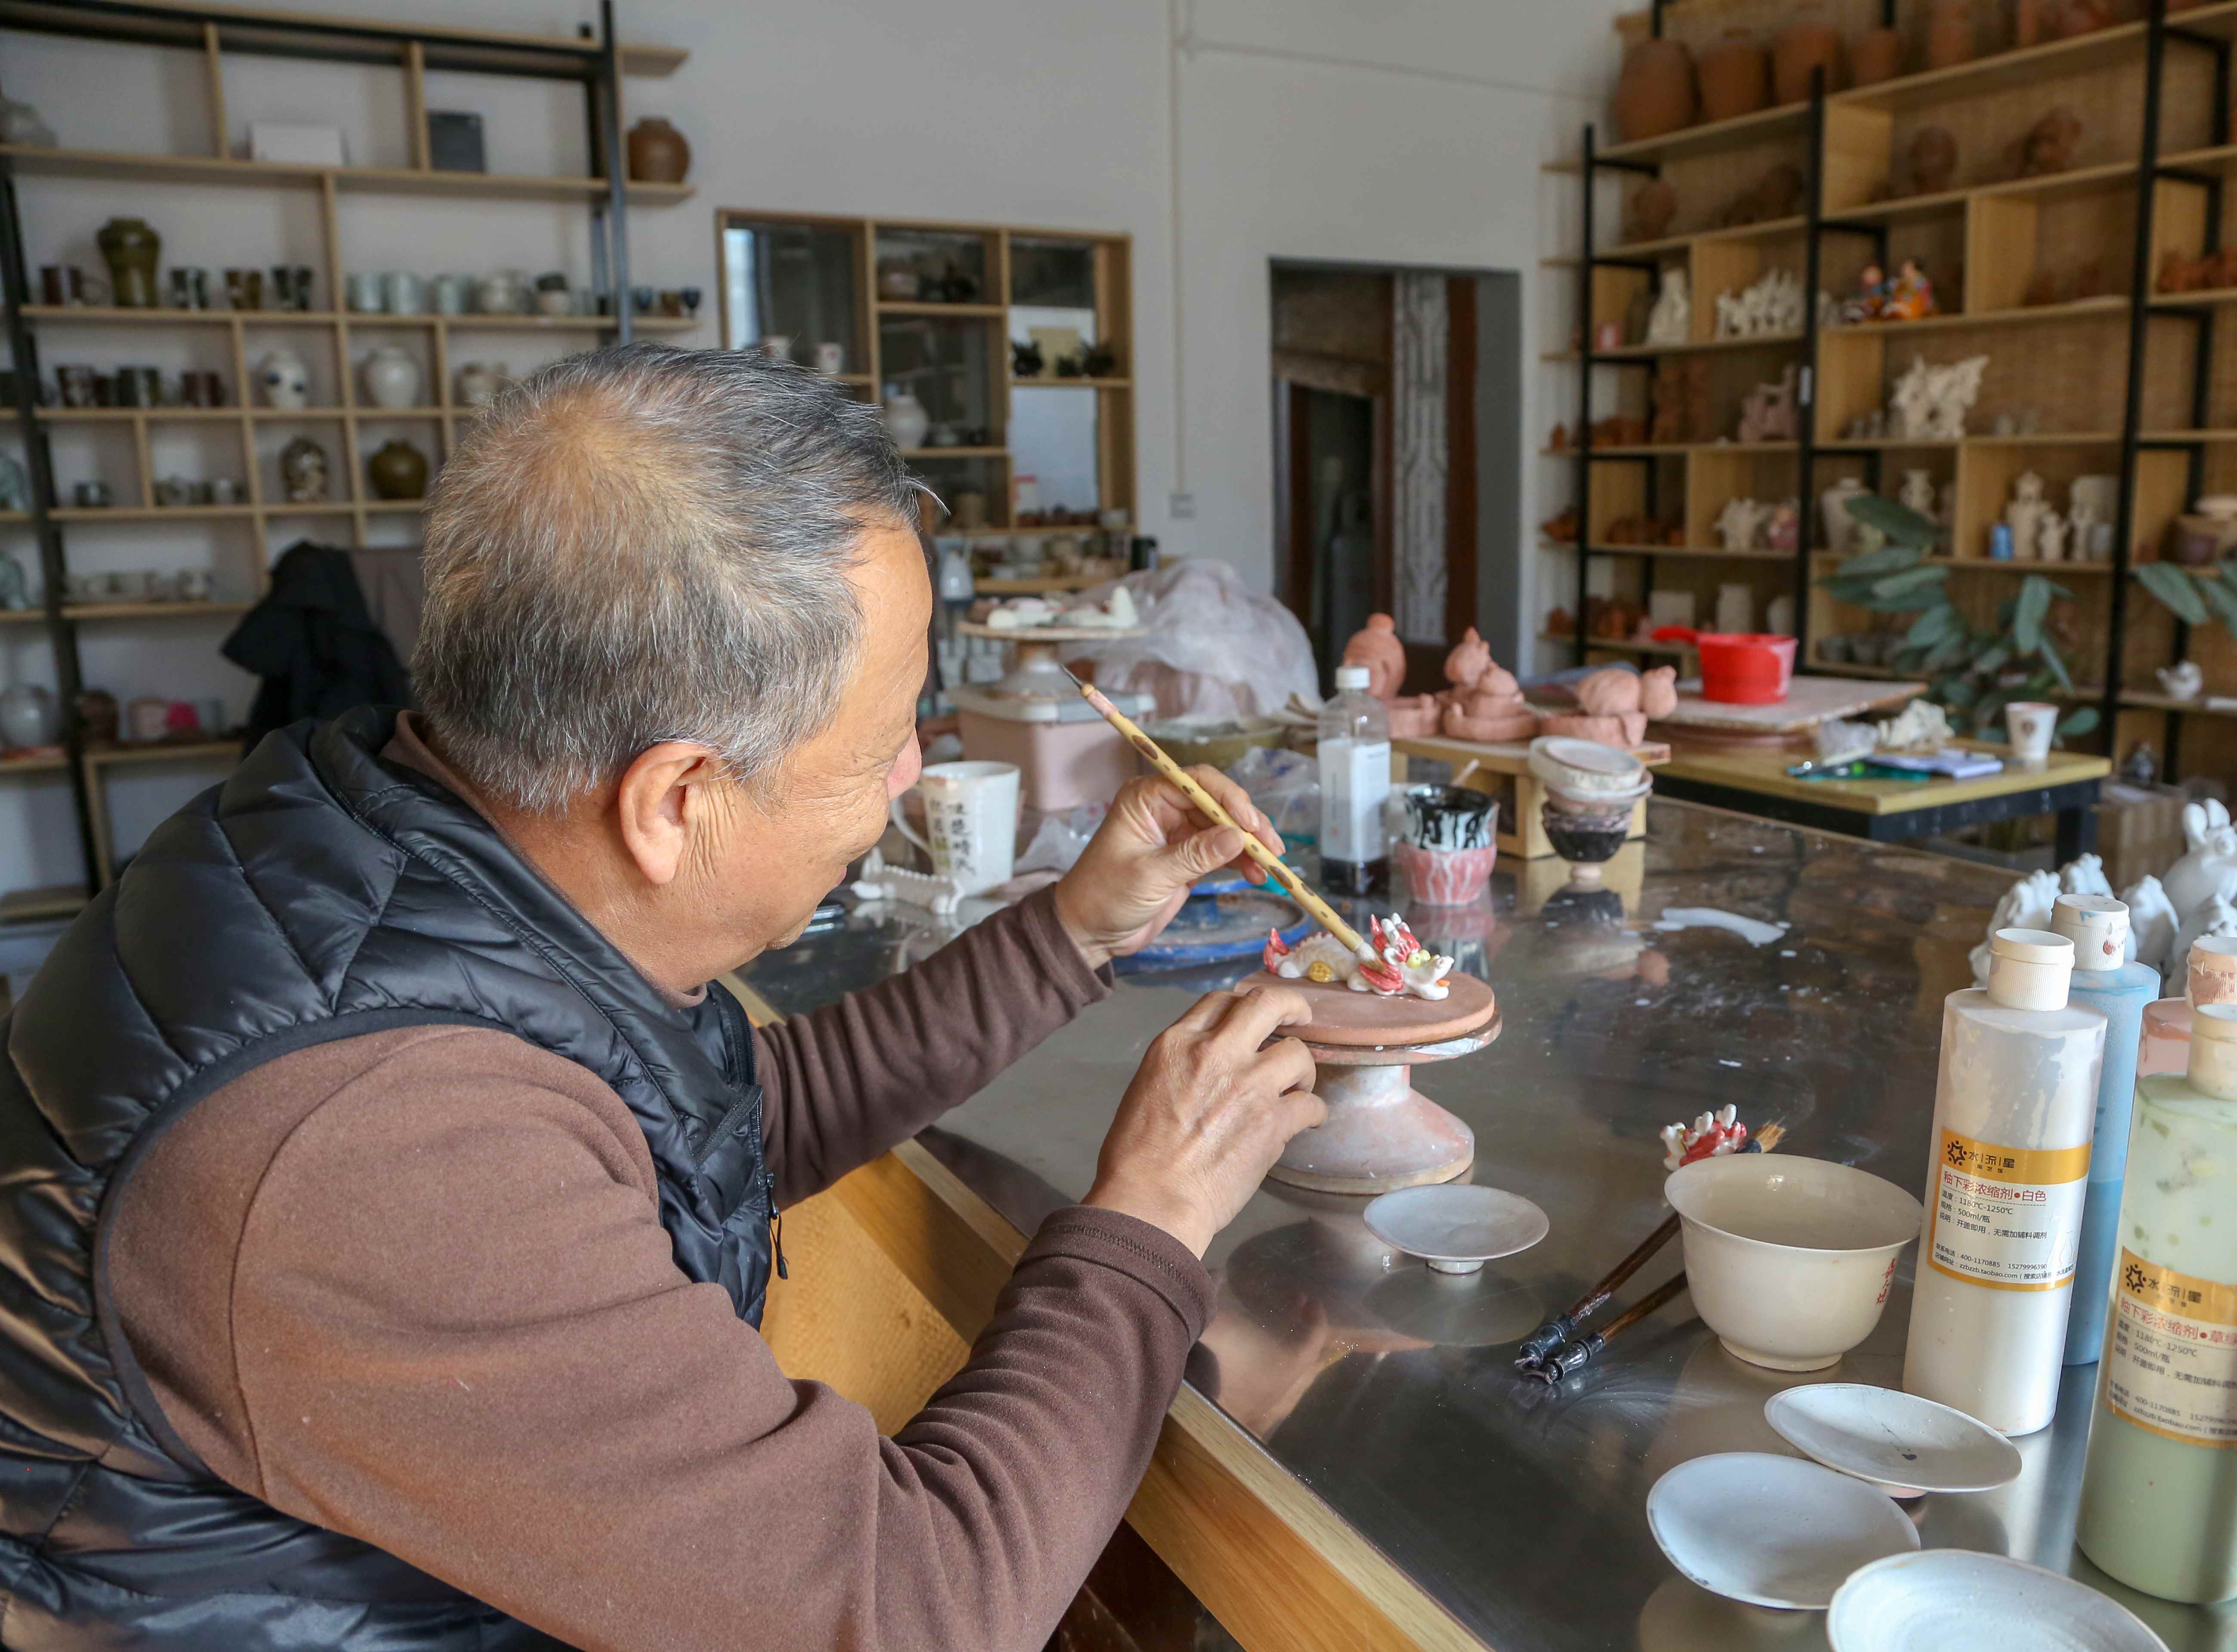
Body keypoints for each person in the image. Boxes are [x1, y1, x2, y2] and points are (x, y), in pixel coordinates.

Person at [0, 343, 1323, 1649]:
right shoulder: (379, 1145)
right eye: (883, 746)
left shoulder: (387, 834)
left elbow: (719, 1120)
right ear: (676, 801)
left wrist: (1076, 928)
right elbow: (916, 1610)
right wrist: (1153, 1213)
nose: (910, 777)